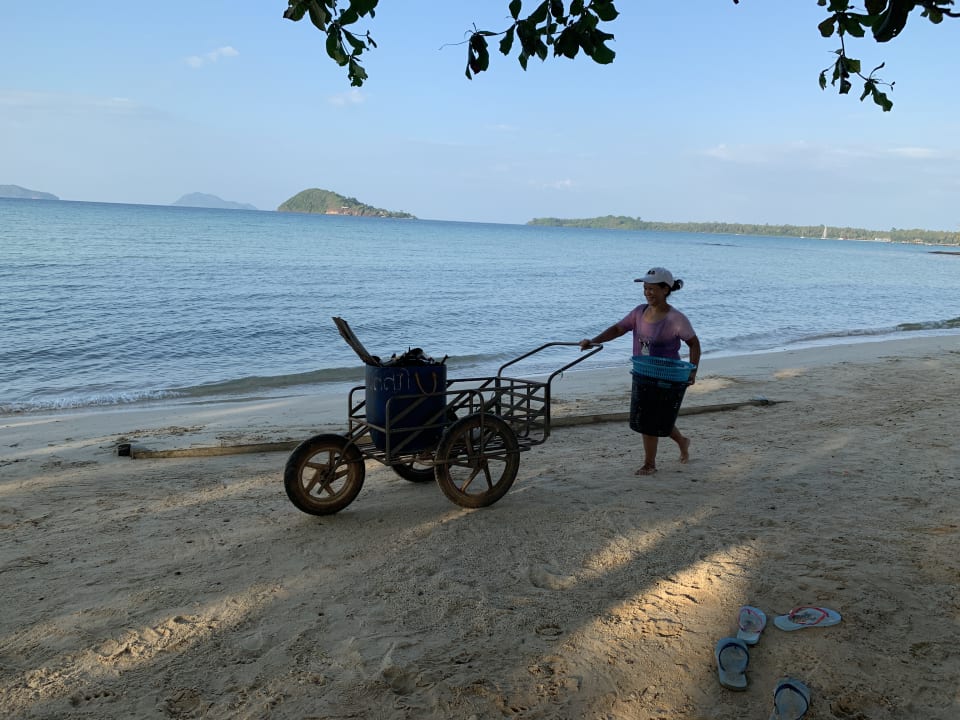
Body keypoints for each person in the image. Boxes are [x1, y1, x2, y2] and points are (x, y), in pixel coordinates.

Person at [579, 267, 701, 475]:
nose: (647, 293)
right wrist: (593, 341)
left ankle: (650, 464)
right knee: (653, 418)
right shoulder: (638, 312)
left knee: (653, 420)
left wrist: (692, 372)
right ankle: (681, 442)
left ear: (665, 289)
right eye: (645, 288)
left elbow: (694, 344)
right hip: (643, 373)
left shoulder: (676, 319)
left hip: (667, 377)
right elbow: (618, 329)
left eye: (652, 289)